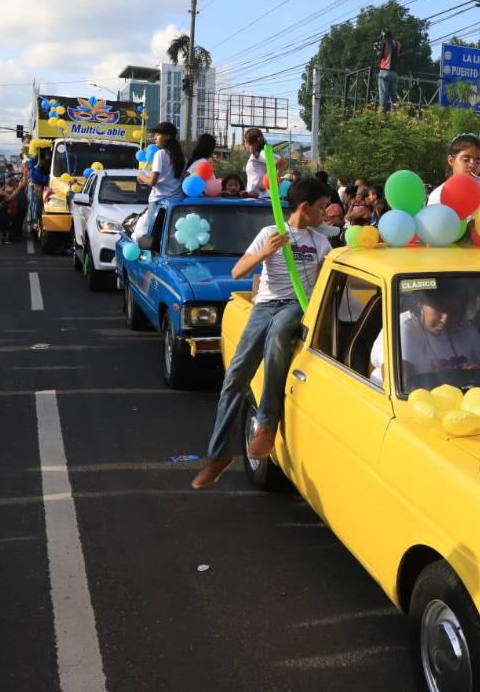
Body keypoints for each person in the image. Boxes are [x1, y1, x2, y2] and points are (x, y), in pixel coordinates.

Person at [192, 177, 335, 490]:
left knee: (279, 336)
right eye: (322, 208)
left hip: (298, 306)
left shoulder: (320, 243)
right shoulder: (270, 234)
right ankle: (218, 456)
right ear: (304, 207)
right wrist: (264, 252)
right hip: (264, 306)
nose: (325, 214)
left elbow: (327, 287)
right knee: (234, 379)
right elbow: (237, 272)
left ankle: (268, 424)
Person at [395, 288, 480, 380]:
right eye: (440, 309)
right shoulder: (403, 328)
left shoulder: (466, 329)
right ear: (421, 304)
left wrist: (475, 373)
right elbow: (403, 382)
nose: (445, 319)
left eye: (453, 312)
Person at [136, 121, 184, 236]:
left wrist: (142, 176)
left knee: (154, 235)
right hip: (177, 202)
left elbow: (153, 181)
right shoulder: (182, 158)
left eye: (158, 135)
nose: (155, 138)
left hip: (159, 201)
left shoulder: (160, 154)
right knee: (171, 235)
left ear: (167, 136)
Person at [427, 133, 480, 206]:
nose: (472, 165)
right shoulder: (439, 196)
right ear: (451, 160)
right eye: (466, 159)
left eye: (477, 162)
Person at [375, 28, 401, 110]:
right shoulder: (397, 43)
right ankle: (395, 116)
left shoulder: (384, 42)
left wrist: (377, 50)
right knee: (394, 98)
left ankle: (381, 117)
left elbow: (380, 56)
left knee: (383, 96)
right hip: (394, 73)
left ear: (383, 36)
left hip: (384, 71)